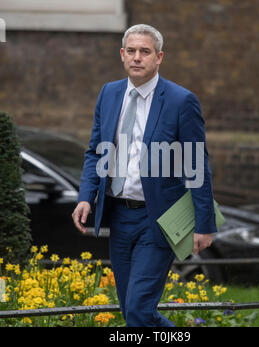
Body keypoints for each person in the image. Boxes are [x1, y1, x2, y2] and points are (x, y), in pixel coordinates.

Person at [72, 24, 217, 327]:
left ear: (159, 57)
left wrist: (204, 224)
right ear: (122, 55)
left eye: (145, 52)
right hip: (119, 216)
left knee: (138, 309)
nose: (137, 57)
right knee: (133, 312)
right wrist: (86, 196)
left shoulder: (180, 101)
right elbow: (96, 151)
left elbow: (196, 164)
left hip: (158, 220)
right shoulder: (109, 93)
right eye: (132, 51)